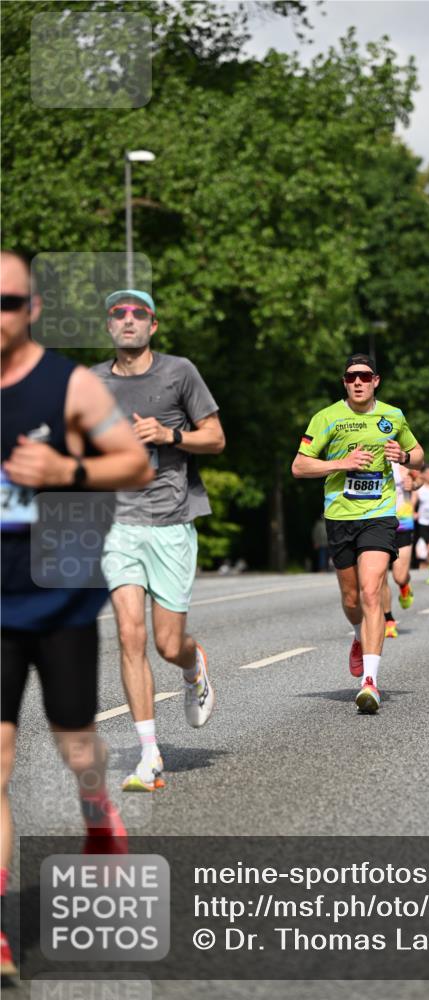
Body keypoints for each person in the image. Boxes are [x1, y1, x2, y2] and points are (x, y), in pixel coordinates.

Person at [1, 252, 153, 977]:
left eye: (7, 301)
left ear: (30, 308)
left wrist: (66, 471)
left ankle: (97, 811)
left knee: (76, 744)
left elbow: (135, 464)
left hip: (59, 590)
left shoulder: (69, 385)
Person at [91, 289, 225, 792]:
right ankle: (150, 755)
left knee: (168, 644)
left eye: (137, 313)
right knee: (130, 635)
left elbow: (215, 438)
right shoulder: (91, 382)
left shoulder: (179, 373)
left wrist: (171, 436)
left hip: (171, 521)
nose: (128, 321)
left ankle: (194, 666)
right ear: (109, 327)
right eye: (118, 314)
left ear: (154, 324)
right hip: (117, 523)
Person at [292, 354, 423, 713]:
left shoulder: (393, 416)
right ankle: (357, 636)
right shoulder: (327, 417)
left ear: (376, 380)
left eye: (364, 376)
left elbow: (418, 453)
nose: (358, 382)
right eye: (351, 377)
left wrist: (406, 458)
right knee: (352, 600)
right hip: (339, 517)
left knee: (371, 590)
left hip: (379, 515)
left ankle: (370, 682)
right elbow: (299, 465)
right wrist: (341, 463)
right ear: (344, 382)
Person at [383, 463, 421, 638]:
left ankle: (405, 585)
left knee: (399, 576)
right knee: (379, 576)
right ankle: (388, 620)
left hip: (402, 525)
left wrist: (413, 484)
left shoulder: (401, 464)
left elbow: (419, 478)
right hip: (378, 526)